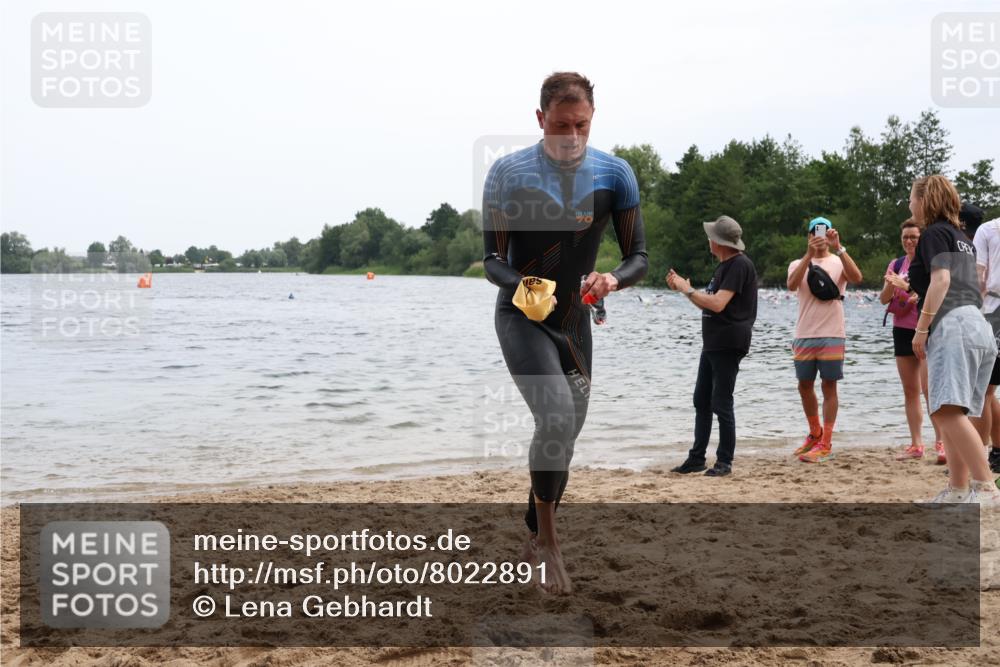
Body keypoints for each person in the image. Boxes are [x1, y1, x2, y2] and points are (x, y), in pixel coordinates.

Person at [482, 72, 648, 593]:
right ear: (540, 120)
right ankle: (550, 545)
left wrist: (612, 279)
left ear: (592, 120)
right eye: (560, 125)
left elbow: (637, 257)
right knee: (554, 416)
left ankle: (532, 529)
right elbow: (492, 261)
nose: (571, 136)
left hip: (576, 322)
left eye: (580, 125)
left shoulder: (615, 174)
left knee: (563, 436)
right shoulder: (507, 173)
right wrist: (526, 285)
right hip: (523, 316)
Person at [908, 175, 1000, 505]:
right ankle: (958, 488)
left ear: (925, 200)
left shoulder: (933, 233)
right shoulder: (963, 237)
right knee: (957, 411)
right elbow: (973, 281)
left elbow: (942, 280)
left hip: (954, 324)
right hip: (978, 324)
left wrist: (921, 328)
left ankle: (986, 487)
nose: (909, 205)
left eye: (912, 199)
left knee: (946, 411)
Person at [666, 215, 758, 477]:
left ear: (718, 242)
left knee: (721, 401)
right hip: (714, 343)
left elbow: (717, 304)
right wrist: (685, 289)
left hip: (729, 342)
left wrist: (688, 289)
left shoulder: (739, 265)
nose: (708, 240)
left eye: (711, 236)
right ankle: (696, 458)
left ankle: (724, 461)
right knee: (701, 400)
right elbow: (709, 303)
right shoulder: (724, 267)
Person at [787, 217, 864, 462]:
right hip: (804, 333)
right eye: (813, 232)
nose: (817, 236)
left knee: (829, 386)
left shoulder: (837, 261)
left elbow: (857, 277)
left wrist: (839, 247)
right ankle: (814, 432)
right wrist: (808, 256)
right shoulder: (798, 263)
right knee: (804, 385)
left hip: (832, 332)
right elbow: (790, 285)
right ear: (808, 236)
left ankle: (826, 441)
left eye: (821, 232)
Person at [880, 220, 944, 461]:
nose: (909, 241)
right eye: (905, 237)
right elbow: (884, 299)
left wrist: (905, 286)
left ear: (922, 238)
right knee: (910, 391)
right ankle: (916, 444)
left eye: (913, 237)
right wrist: (890, 284)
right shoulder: (896, 264)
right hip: (902, 329)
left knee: (930, 390)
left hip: (926, 328)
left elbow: (928, 293)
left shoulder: (929, 263)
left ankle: (941, 442)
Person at [969, 201, 1000, 473]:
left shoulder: (988, 230)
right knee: (988, 389)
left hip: (992, 310)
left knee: (985, 389)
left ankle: (978, 457)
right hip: (992, 308)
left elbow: (979, 277)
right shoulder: (988, 230)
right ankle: (995, 453)